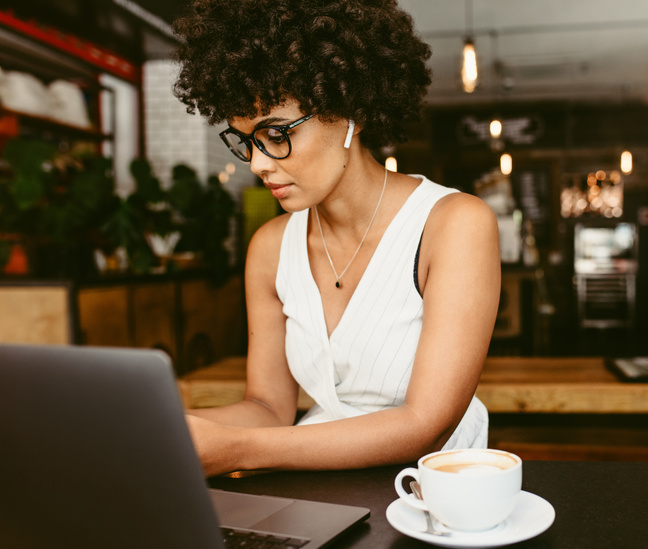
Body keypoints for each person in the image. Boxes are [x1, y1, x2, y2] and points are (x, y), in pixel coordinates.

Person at [171, 0, 501, 476]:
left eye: (277, 133)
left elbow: (424, 425)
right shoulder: (269, 248)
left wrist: (237, 450)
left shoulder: (453, 224)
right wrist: (171, 428)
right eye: (246, 140)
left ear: (351, 111)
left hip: (431, 500)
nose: (258, 164)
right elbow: (268, 409)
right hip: (314, 493)